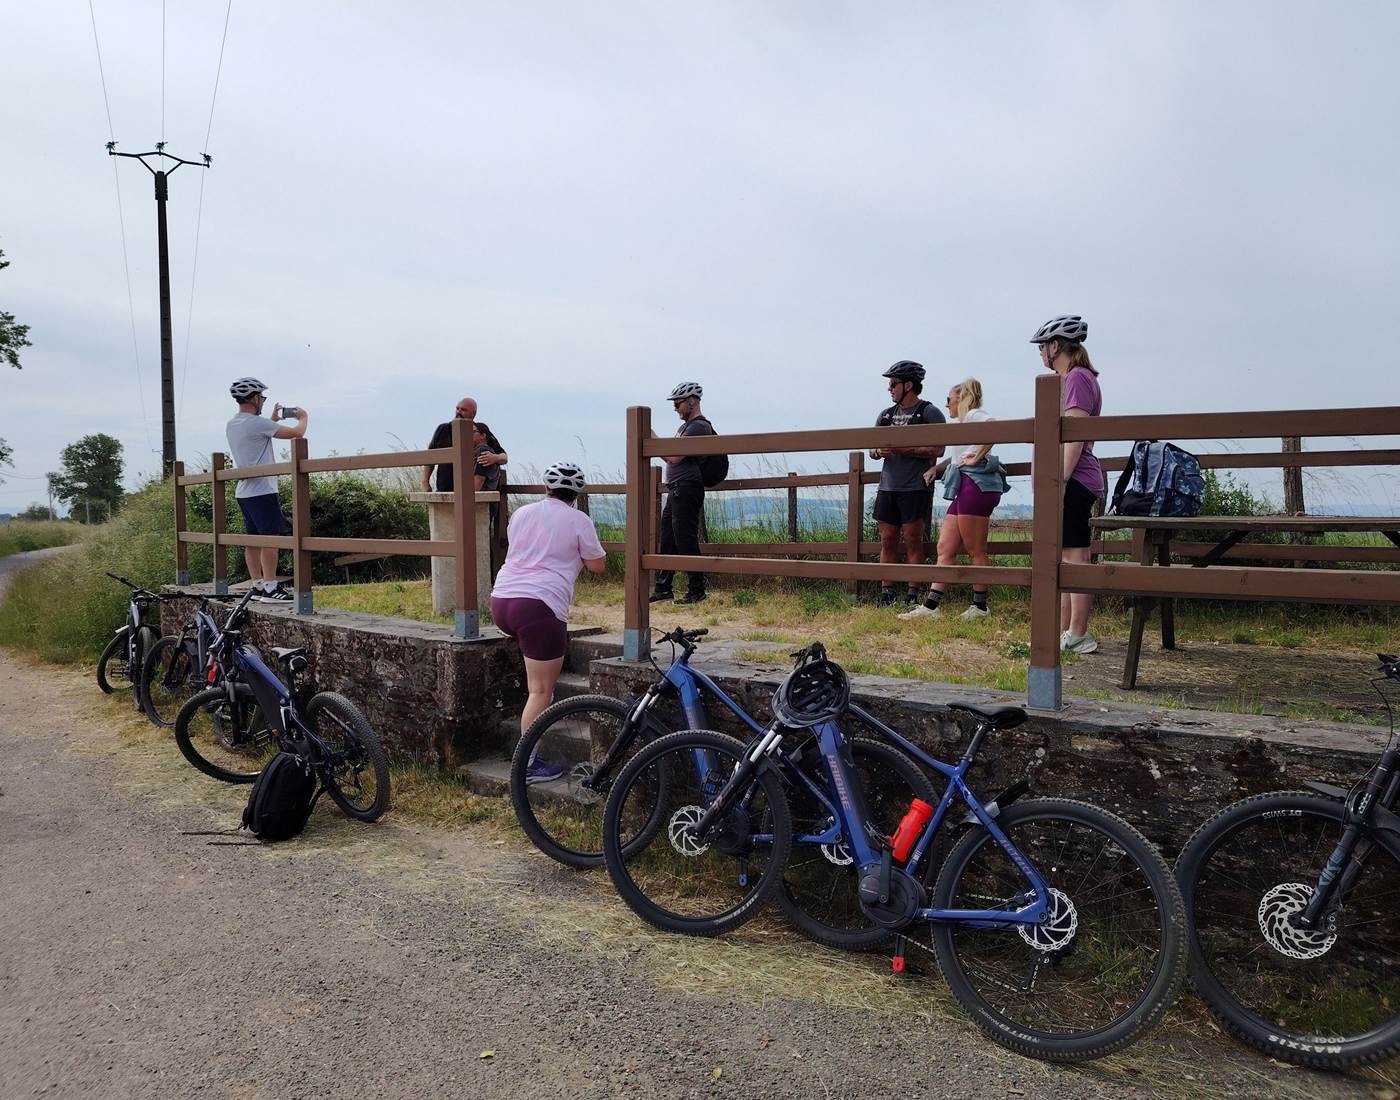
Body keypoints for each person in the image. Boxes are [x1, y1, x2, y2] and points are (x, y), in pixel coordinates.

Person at [490, 462, 607, 783]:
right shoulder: (579, 520)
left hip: (502, 600)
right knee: (541, 691)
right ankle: (527, 766)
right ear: (576, 493)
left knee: (538, 685)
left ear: (546, 488)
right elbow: (597, 565)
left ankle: (528, 757)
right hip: (539, 608)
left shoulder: (522, 513)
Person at [901, 378, 1008, 621]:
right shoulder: (964, 424)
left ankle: (980, 607)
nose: (946, 404)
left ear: (961, 399)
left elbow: (994, 426)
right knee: (945, 547)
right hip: (966, 486)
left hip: (976, 486)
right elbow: (960, 457)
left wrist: (977, 457)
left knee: (975, 549)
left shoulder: (973, 415)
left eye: (949, 399)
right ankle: (931, 606)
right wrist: (938, 468)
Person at [1031, 314, 1103, 655]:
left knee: (1075, 556)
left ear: (1055, 346)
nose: (1040, 353)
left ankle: (1077, 633)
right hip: (1068, 479)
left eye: (1042, 347)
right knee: (1064, 556)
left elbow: (1074, 436)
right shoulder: (1072, 378)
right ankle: (1063, 630)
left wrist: (1057, 480)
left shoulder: (1077, 377)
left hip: (1073, 479)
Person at [225, 377, 308, 603]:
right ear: (253, 398)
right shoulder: (257, 424)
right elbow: (297, 433)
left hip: (244, 491)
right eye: (261, 396)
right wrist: (303, 417)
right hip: (262, 490)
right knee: (271, 538)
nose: (262, 400)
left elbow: (255, 437)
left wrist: (271, 420)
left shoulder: (233, 424)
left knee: (252, 540)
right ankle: (271, 588)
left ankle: (258, 585)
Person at [870, 361, 945, 606]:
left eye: (893, 384)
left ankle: (912, 593)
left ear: (908, 385)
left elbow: (939, 448)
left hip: (915, 487)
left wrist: (905, 449)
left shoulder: (929, 412)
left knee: (913, 540)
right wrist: (877, 451)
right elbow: (872, 446)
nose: (889, 389)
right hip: (887, 486)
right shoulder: (885, 415)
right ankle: (886, 592)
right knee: (887, 539)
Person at [649, 382, 715, 605]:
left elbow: (674, 458)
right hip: (677, 488)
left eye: (678, 404)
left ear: (691, 402)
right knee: (669, 537)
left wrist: (652, 438)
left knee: (685, 538)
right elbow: (671, 457)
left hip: (687, 488)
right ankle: (663, 587)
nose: (675, 408)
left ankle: (696, 590)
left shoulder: (698, 427)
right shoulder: (685, 428)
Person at [422, 397, 507, 492]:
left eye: (464, 410)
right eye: (457, 408)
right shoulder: (443, 429)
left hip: (467, 491)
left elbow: (504, 457)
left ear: (473, 413)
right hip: (444, 490)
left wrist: (495, 458)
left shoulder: (479, 431)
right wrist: (425, 482)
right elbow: (430, 457)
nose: (459, 412)